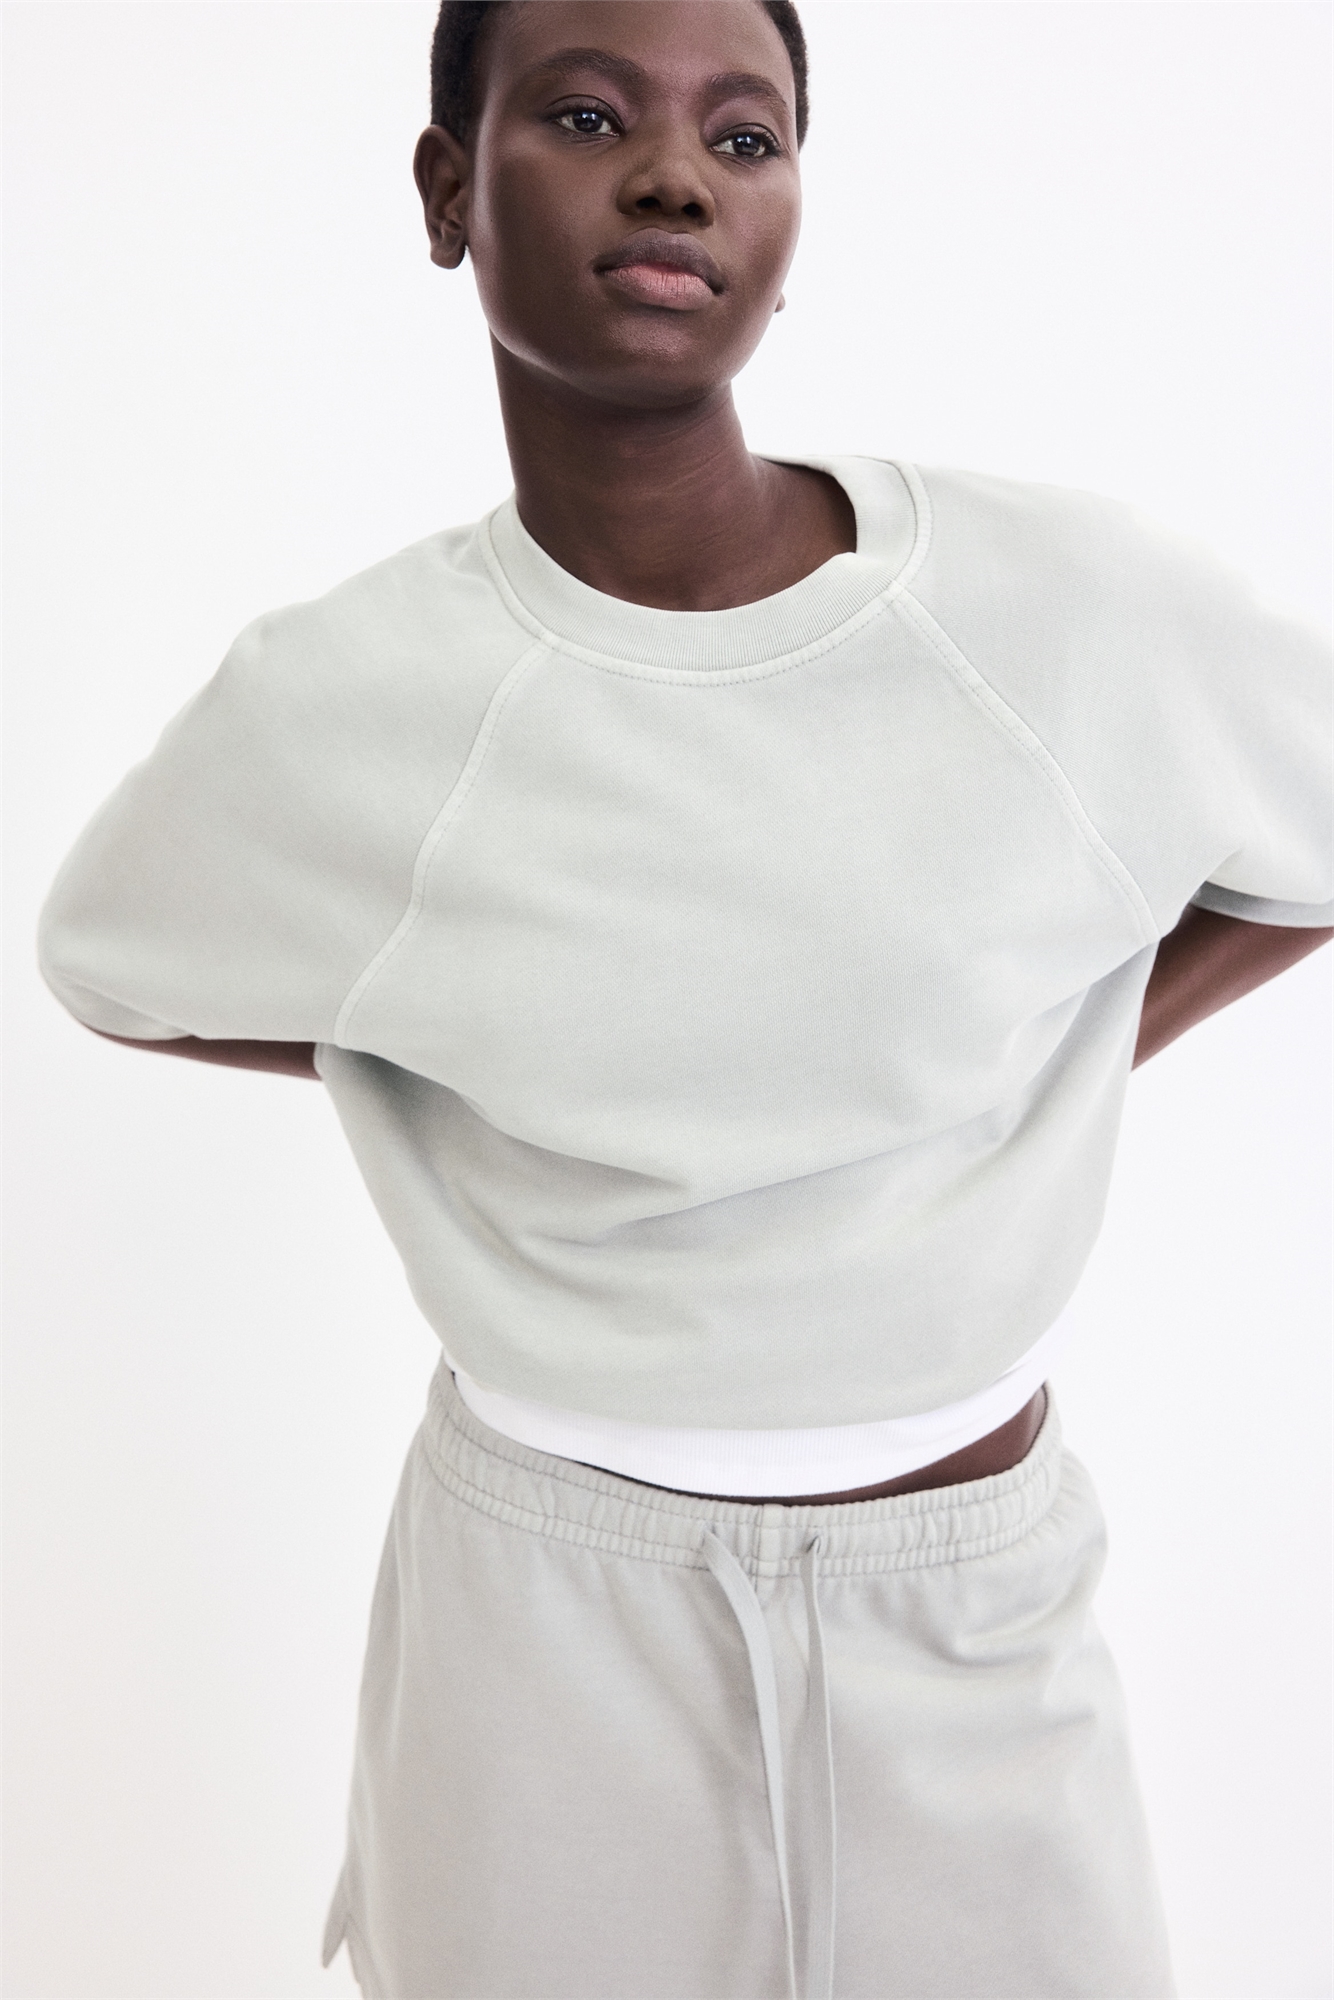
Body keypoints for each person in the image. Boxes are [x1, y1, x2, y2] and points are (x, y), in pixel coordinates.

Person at [36, 2, 1331, 1994]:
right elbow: (113, 966)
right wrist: (483, 1055)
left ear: (792, 217)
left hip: (964, 1600)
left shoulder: (1057, 609)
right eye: (583, 117)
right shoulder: (347, 698)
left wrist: (1042, 1063)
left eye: (745, 138)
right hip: (543, 1614)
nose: (673, 181)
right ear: (447, 192)